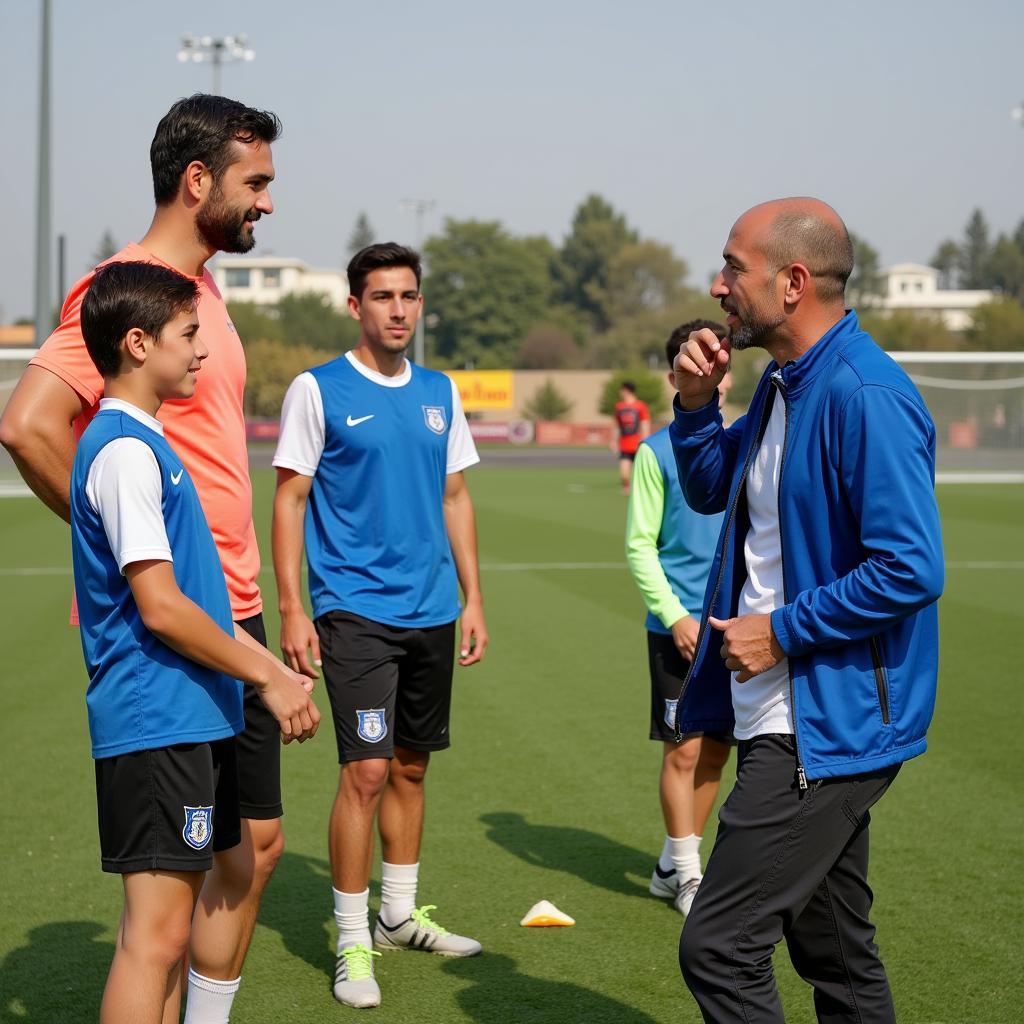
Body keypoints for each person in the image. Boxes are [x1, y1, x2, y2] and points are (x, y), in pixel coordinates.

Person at [0, 94, 291, 1023]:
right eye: (256, 184)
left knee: (249, 849)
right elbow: (28, 424)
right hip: (179, 627)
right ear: (197, 180)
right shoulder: (125, 290)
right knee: (167, 907)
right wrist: (130, 557)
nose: (268, 205)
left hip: (230, 608)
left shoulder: (201, 297)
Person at [669, 197, 943, 1023]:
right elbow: (713, 488)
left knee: (718, 947)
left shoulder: (863, 394)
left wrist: (781, 630)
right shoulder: (787, 384)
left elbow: (911, 567)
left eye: (733, 268)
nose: (718, 286)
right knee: (834, 954)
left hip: (825, 723)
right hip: (784, 711)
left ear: (791, 283)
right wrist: (693, 405)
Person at [70, 261, 318, 1024]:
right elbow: (162, 607)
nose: (202, 350)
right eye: (188, 334)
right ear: (139, 344)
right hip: (154, 719)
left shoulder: (147, 441)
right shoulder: (121, 451)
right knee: (153, 936)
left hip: (183, 716)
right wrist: (269, 673)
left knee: (171, 931)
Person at [272, 242, 489, 1009]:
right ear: (355, 305)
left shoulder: (439, 391)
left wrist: (474, 596)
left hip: (432, 608)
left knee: (410, 766)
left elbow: (455, 496)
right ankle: (353, 939)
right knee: (363, 772)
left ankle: (399, 913)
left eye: (408, 296)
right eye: (382, 297)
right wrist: (293, 607)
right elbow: (291, 498)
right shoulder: (318, 389)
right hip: (354, 610)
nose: (397, 310)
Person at [625, 320, 733, 918]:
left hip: (732, 628)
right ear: (676, 376)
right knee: (682, 752)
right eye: (696, 362)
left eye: (720, 360)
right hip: (677, 630)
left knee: (715, 752)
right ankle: (691, 877)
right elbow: (640, 545)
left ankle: (672, 863)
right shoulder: (655, 452)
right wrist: (673, 616)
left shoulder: (743, 440)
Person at [612, 379, 650, 493]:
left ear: (627, 390)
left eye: (622, 390)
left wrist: (646, 440)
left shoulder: (640, 406)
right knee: (624, 474)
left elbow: (645, 424)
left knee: (643, 472)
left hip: (638, 445)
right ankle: (627, 488)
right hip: (625, 446)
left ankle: (642, 490)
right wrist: (613, 441)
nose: (620, 392)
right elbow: (617, 426)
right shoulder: (619, 406)